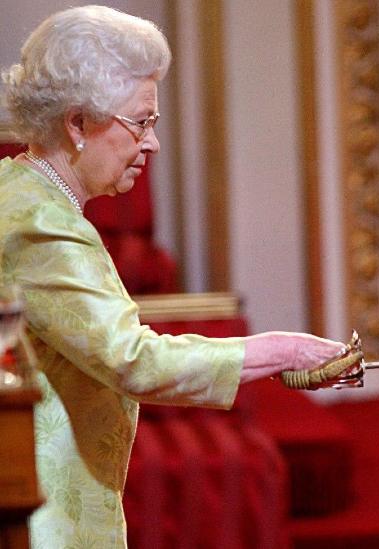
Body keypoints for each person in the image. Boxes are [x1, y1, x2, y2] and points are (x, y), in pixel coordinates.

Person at [0, 6, 351, 547]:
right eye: (140, 122)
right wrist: (280, 351)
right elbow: (132, 361)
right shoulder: (44, 226)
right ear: (76, 124)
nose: (152, 143)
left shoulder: (19, 190)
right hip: (43, 513)